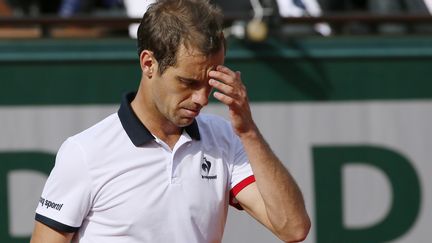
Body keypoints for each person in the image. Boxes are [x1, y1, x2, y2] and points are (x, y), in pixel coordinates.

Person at [30, 0, 311, 242]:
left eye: (209, 84)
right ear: (148, 63)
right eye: (188, 82)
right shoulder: (84, 153)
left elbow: (293, 228)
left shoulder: (225, 140)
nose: (202, 98)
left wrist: (248, 131)